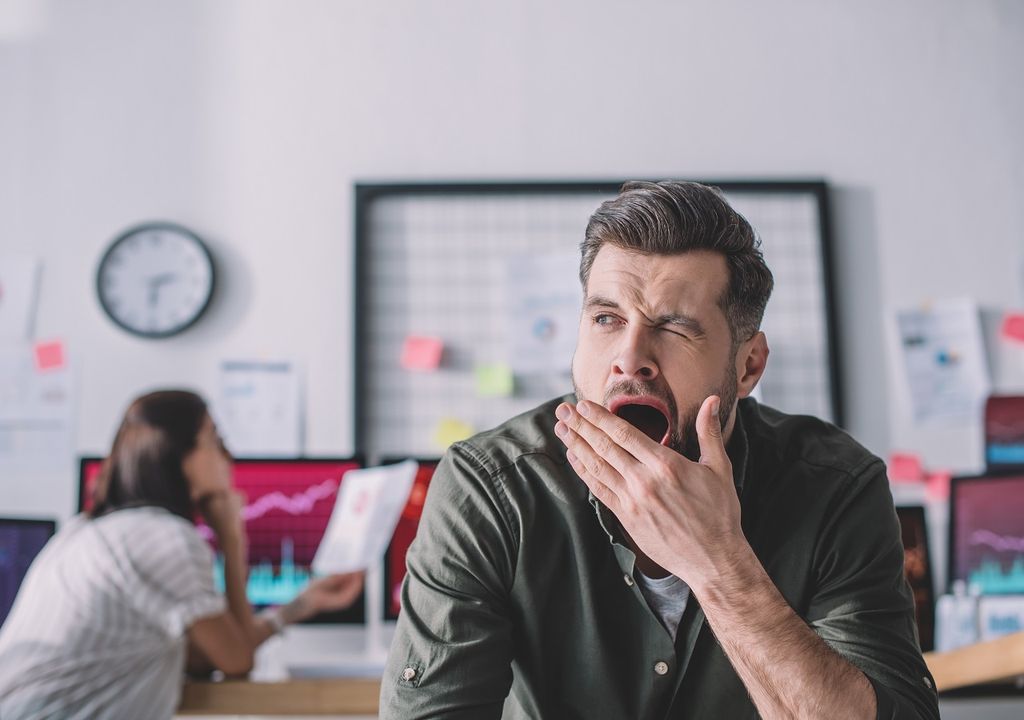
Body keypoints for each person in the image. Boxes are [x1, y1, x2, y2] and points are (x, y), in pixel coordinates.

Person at [381, 181, 940, 719]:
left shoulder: (836, 486)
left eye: (673, 328)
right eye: (606, 319)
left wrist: (718, 561)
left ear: (748, 366)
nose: (629, 359)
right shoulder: (490, 487)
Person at [0, 390, 364, 720]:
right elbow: (237, 659)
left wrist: (300, 606)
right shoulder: (165, 539)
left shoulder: (85, 530)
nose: (228, 456)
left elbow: (205, 656)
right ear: (179, 457)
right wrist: (231, 539)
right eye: (215, 441)